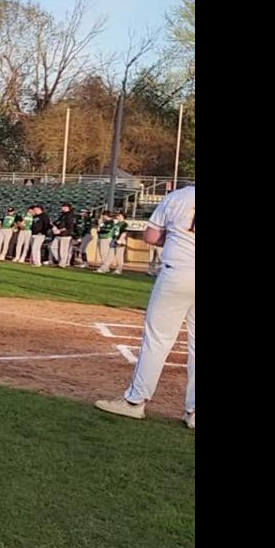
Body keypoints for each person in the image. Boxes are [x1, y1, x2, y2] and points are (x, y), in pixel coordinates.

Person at [96, 184, 194, 429]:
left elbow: (151, 236)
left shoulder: (179, 196)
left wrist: (174, 237)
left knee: (158, 339)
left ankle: (135, 401)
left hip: (178, 273)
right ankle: (193, 412)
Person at [49, 203, 77, 268]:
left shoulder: (70, 216)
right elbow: (58, 222)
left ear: (68, 208)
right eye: (62, 207)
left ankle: (62, 263)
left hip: (65, 235)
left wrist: (59, 230)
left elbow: (69, 227)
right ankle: (60, 261)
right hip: (59, 234)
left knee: (63, 250)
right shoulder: (62, 215)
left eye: (64, 207)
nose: (62, 208)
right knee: (53, 247)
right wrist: (54, 225)